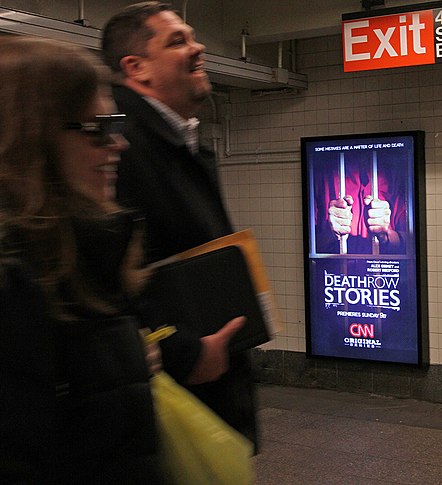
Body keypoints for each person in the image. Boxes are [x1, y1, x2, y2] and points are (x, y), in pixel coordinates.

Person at [0, 36, 165, 484]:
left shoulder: (84, 255)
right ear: (31, 138)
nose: (118, 145)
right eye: (98, 129)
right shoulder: (14, 281)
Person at [101, 2, 257, 447]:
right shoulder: (122, 151)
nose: (199, 47)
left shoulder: (178, 144)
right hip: (175, 399)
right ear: (137, 67)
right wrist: (185, 353)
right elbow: (109, 283)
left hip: (208, 385)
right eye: (177, 41)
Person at [314, 151, 409, 254]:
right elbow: (305, 243)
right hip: (331, 269)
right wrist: (330, 232)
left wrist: (386, 235)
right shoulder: (320, 173)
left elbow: (413, 242)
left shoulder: (396, 174)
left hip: (382, 267)